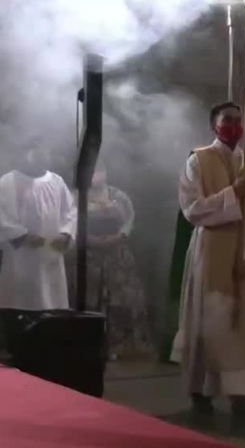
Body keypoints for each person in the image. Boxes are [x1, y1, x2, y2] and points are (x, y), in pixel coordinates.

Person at [170, 101, 245, 419]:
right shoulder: (198, 161)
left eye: (238, 120)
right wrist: (231, 194)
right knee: (210, 320)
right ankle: (201, 390)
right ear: (213, 125)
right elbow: (192, 210)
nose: (234, 126)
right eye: (227, 119)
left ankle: (244, 395)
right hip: (212, 250)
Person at [77, 164, 152, 359]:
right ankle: (89, 344)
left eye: (99, 170)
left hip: (118, 255)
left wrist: (118, 237)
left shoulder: (119, 196)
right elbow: (71, 221)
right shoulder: (77, 197)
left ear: (106, 172)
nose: (96, 175)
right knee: (90, 299)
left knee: (125, 300)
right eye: (92, 171)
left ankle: (122, 346)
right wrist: (89, 239)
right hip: (89, 257)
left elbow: (130, 220)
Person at [0, 145, 76, 310]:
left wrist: (65, 234)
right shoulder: (7, 182)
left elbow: (70, 212)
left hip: (51, 256)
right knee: (21, 305)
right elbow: (1, 216)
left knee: (52, 304)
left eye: (45, 151)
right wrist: (21, 236)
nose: (41, 156)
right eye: (35, 151)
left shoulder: (56, 181)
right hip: (20, 258)